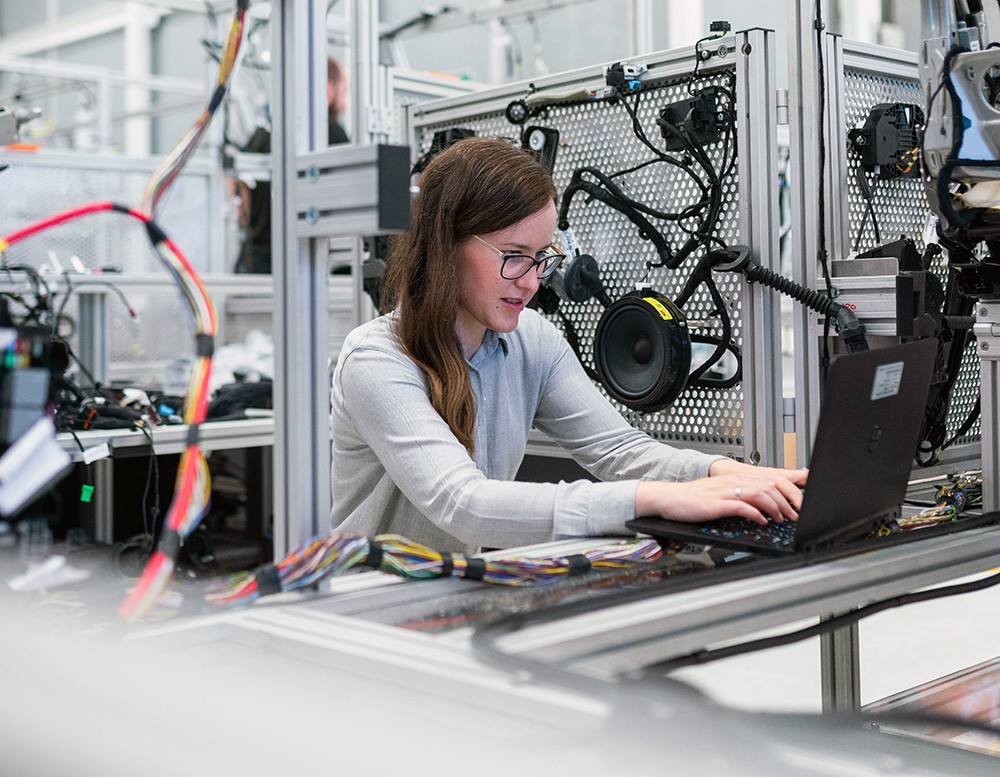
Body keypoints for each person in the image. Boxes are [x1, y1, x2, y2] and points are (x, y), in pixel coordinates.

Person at [330, 136, 807, 553]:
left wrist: (726, 475)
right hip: (371, 614)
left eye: (542, 258)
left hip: (450, 595)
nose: (533, 282)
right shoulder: (377, 359)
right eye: (514, 257)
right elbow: (464, 504)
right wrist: (654, 499)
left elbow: (621, 451)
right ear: (445, 245)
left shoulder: (531, 341)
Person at [233, 57, 349, 273]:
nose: (346, 101)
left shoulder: (264, 132)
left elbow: (237, 190)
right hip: (298, 262)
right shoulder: (330, 131)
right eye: (345, 91)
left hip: (252, 261)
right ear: (328, 88)